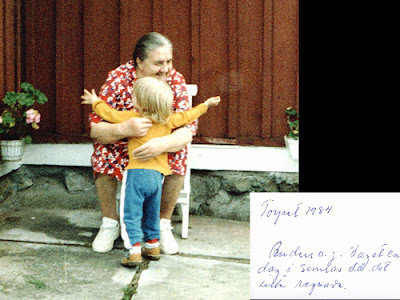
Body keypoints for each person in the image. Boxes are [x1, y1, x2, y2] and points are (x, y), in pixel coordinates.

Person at [82, 77, 220, 266]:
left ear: (140, 102)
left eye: (134, 96)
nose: (132, 97)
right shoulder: (168, 120)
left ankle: (134, 251)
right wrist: (206, 104)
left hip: (136, 174)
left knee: (131, 213)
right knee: (152, 213)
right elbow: (189, 115)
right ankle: (153, 245)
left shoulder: (133, 118)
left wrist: (94, 101)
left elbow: (109, 114)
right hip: (158, 178)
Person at [88, 32, 198, 255]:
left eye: (169, 61)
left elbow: (188, 130)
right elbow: (96, 129)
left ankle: (161, 223)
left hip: (160, 148)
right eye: (159, 63)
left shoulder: (175, 80)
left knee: (179, 152)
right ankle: (110, 222)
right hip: (124, 144)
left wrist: (163, 144)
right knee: (102, 151)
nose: (166, 69)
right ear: (139, 61)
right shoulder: (119, 79)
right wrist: (123, 129)